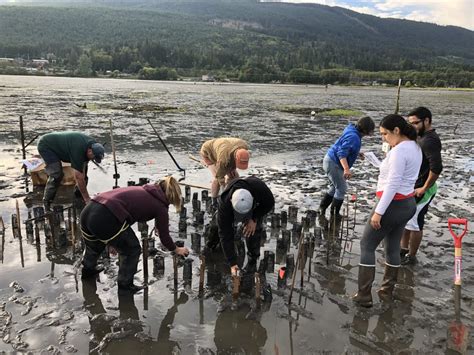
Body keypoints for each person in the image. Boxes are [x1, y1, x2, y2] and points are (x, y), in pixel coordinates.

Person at [353, 114, 422, 307]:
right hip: (407, 204)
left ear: (396, 131)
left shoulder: (400, 151)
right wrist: (378, 161)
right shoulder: (414, 147)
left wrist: (379, 212)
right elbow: (394, 174)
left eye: (385, 134)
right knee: (392, 247)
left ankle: (364, 295)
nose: (383, 138)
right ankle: (386, 291)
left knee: (367, 245)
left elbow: (393, 183)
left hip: (392, 204)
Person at [79, 176, 189, 292]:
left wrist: (112, 241)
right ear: (172, 196)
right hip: (106, 217)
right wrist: (177, 249)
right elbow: (165, 237)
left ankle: (88, 272)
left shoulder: (144, 190)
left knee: (94, 246)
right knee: (132, 249)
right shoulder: (160, 206)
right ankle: (125, 287)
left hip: (88, 211)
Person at [400, 107, 443, 265]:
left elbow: (436, 168)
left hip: (424, 190)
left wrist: (424, 188)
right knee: (406, 220)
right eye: (410, 123)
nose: (413, 126)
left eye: (416, 123)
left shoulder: (430, 140)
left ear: (427, 121)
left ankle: (412, 256)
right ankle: (403, 249)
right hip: (414, 185)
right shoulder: (420, 136)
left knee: (415, 222)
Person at [319, 116, 375, 221]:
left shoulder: (351, 130)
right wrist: (346, 169)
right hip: (334, 163)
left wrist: (357, 153)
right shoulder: (354, 137)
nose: (372, 133)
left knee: (335, 187)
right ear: (366, 130)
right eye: (371, 131)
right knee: (342, 188)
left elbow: (345, 146)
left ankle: (322, 209)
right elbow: (341, 153)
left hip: (330, 160)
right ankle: (334, 215)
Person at [217, 176, 274, 275]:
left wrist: (254, 218)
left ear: (252, 198)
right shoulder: (224, 205)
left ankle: (252, 259)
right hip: (230, 208)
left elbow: (269, 203)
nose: (242, 218)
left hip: (254, 209)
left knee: (252, 230)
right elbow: (225, 234)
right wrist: (232, 263)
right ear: (231, 201)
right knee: (219, 227)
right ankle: (212, 245)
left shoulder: (259, 189)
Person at [37, 131, 105, 209]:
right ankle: (47, 201)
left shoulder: (93, 145)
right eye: (93, 157)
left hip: (67, 145)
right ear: (89, 151)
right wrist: (87, 199)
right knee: (57, 174)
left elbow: (83, 173)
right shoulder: (78, 151)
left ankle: (78, 196)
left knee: (84, 175)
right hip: (46, 145)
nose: (92, 159)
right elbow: (78, 177)